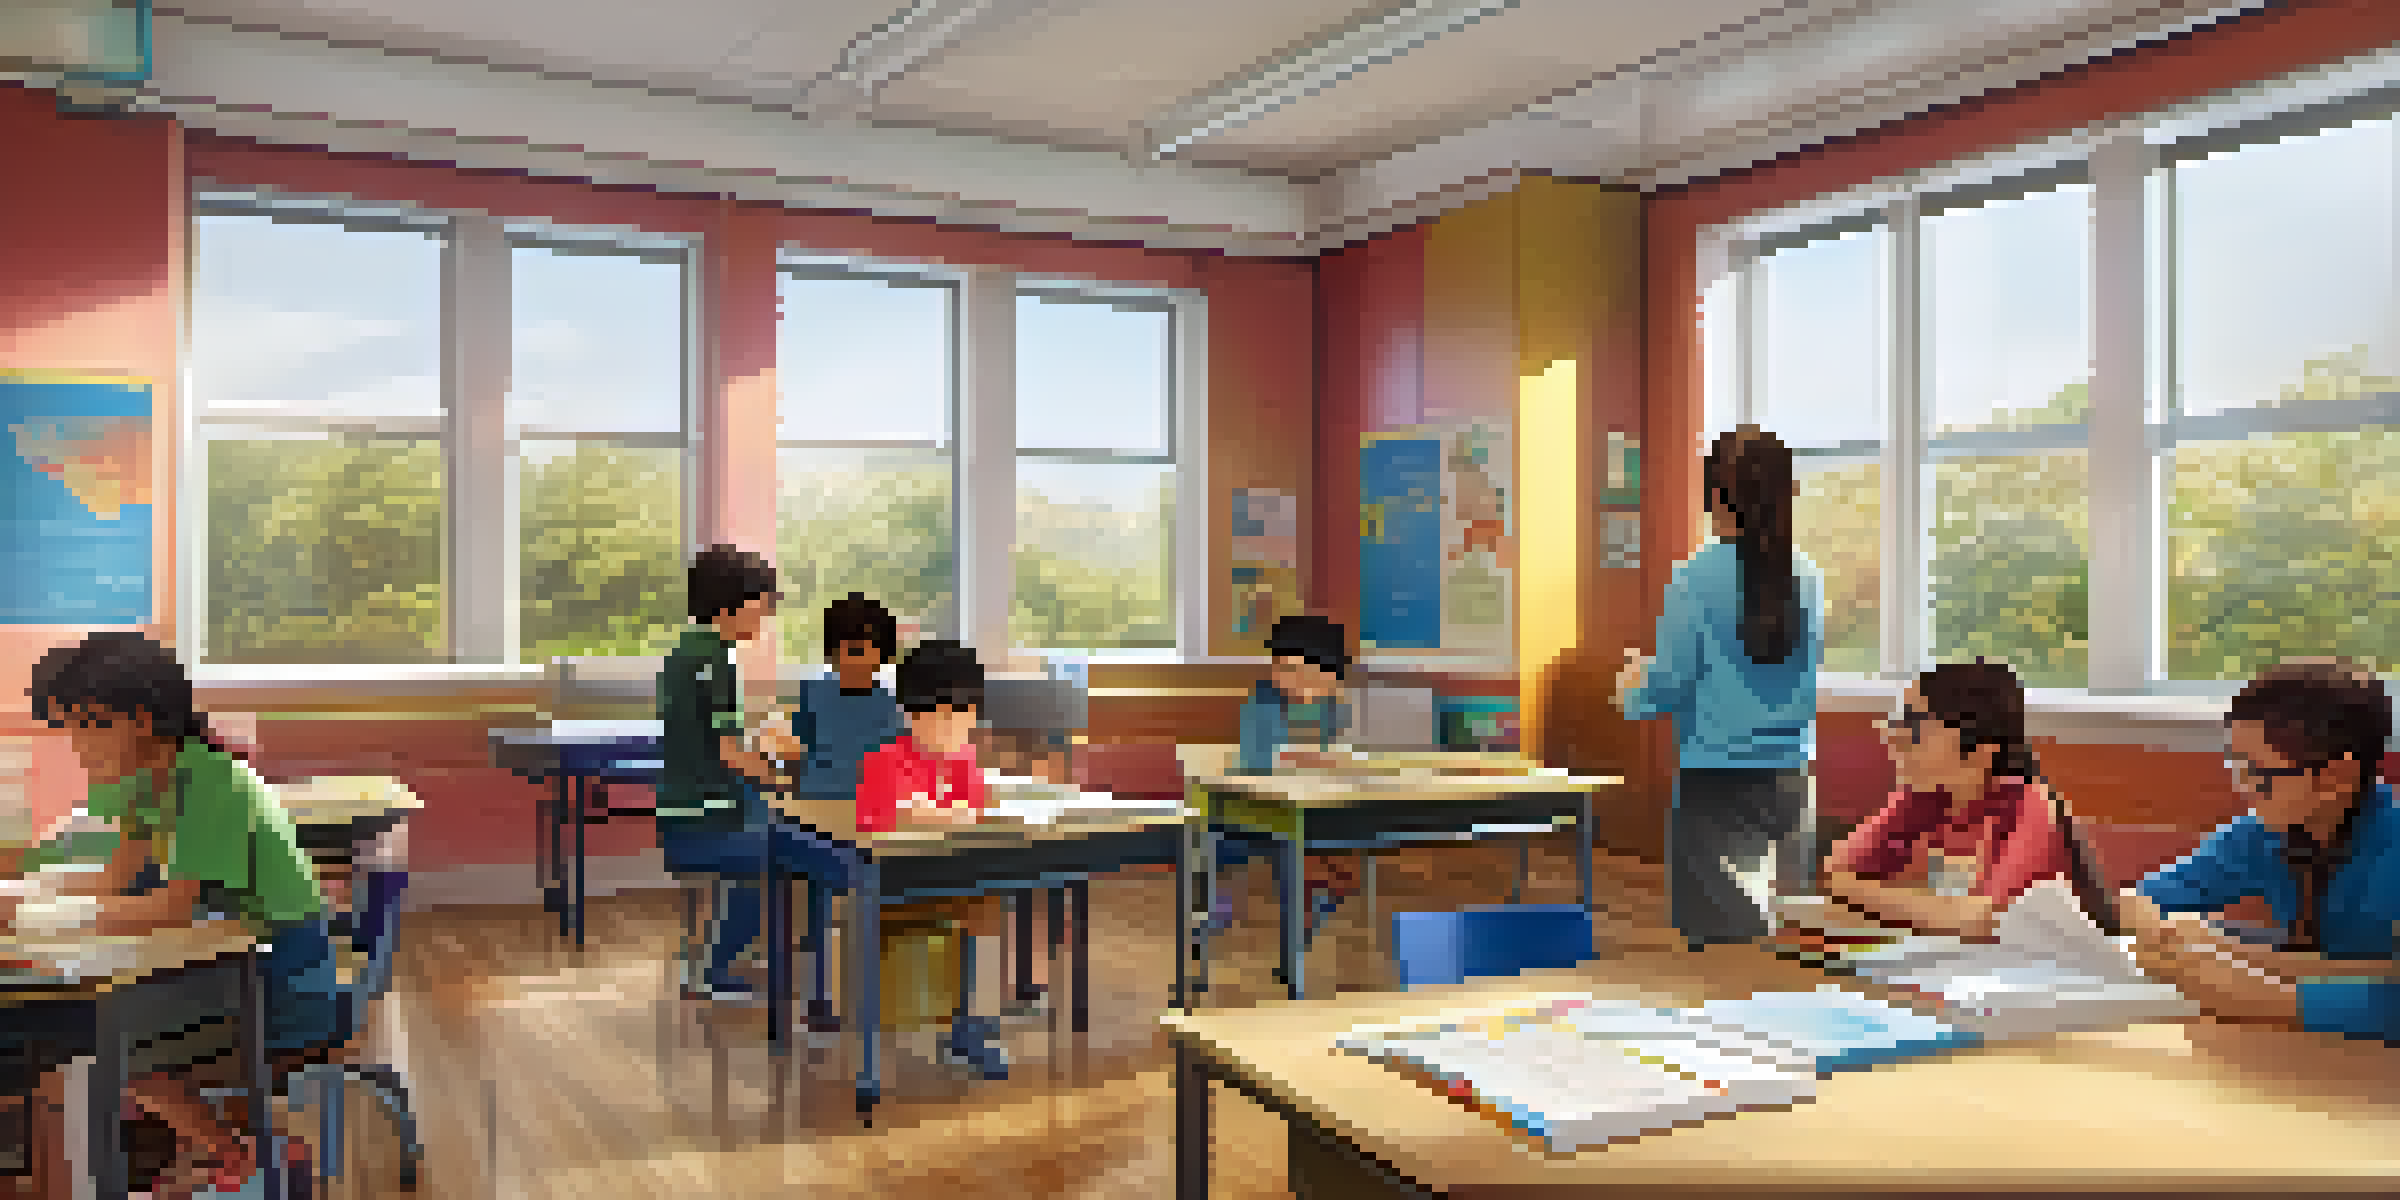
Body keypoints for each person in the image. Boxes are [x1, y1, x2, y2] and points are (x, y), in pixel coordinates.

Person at [12, 632, 336, 1198]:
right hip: (227, 960)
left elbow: (169, 905)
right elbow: (114, 879)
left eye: (87, 727)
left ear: (138, 719)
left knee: (106, 1034)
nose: (77, 746)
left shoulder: (212, 783)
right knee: (91, 1025)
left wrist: (45, 914)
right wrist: (27, 894)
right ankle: (224, 1148)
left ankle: (235, 1154)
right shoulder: (142, 783)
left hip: (281, 977)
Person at [1617, 426, 1824, 950]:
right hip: (1793, 783)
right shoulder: (1807, 575)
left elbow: (1667, 686)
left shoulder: (1693, 578)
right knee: (1785, 946)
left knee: (1722, 952)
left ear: (1713, 497)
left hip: (1717, 783)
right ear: (1787, 494)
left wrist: (1632, 684)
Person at [2120, 659, 2400, 1042]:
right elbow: (2145, 898)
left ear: (2337, 777)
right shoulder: (2262, 834)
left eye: (2261, 774)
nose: (2245, 790)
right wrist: (2176, 937)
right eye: (2238, 767)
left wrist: (2262, 995)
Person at [1822, 660, 2078, 939]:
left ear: (1980, 752)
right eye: (1897, 722)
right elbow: (1837, 874)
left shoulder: (2030, 808)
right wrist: (1940, 911)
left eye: (1914, 726)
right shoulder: (1924, 798)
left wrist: (1879, 897)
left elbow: (1981, 920)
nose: (1894, 738)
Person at [654, 545, 807, 1004]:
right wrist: (785, 777)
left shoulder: (687, 651)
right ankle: (717, 969)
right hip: (703, 819)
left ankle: (739, 949)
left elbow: (714, 741)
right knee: (791, 855)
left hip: (688, 809)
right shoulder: (718, 662)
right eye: (758, 609)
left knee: (778, 828)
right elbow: (728, 753)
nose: (762, 621)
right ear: (728, 606)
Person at [856, 640, 1010, 1079]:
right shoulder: (886, 759)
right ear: (910, 712)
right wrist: (932, 813)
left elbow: (977, 812)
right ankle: (915, 1028)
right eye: (941, 715)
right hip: (895, 884)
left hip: (955, 876)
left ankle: (971, 1026)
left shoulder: (966, 759)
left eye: (965, 715)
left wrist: (954, 813)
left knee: (985, 906)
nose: (954, 727)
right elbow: (877, 823)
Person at [1213, 614, 1362, 939]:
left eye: (1295, 669)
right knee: (1291, 842)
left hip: (1319, 799)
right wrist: (1302, 758)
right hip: (1261, 803)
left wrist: (1327, 762)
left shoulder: (1335, 705)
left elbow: (1344, 752)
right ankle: (1299, 919)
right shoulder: (1264, 701)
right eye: (1279, 667)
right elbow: (1255, 760)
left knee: (1320, 839)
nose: (1283, 677)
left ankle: (1312, 905)